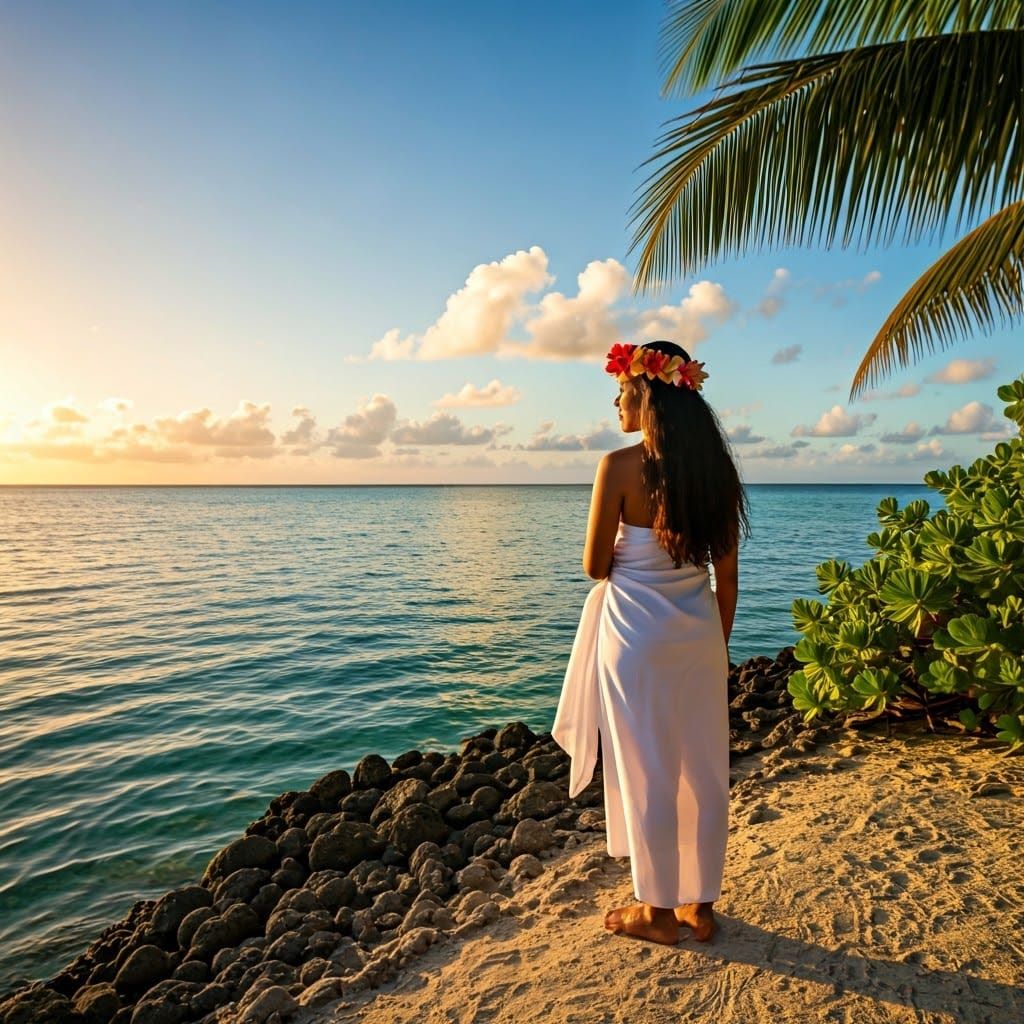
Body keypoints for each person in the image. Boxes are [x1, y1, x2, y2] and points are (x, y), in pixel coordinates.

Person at [552, 338, 750, 946]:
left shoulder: (617, 466)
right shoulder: (715, 474)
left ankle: (657, 912)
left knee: (647, 770)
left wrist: (632, 554)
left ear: (646, 390)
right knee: (704, 771)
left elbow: (593, 567)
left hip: (634, 639)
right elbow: (727, 579)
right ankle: (700, 906)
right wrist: (714, 648)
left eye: (621, 390)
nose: (616, 401)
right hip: (697, 638)